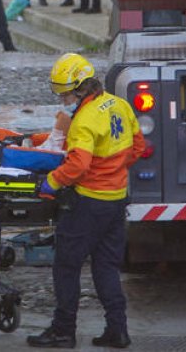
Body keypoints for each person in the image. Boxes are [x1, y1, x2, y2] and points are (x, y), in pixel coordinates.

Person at [26, 54, 147, 349]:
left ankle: (63, 331)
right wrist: (113, 172)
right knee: (106, 267)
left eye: (65, 93)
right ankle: (117, 330)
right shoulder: (119, 105)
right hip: (116, 201)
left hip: (87, 204)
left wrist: (50, 183)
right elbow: (138, 147)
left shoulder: (84, 121)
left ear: (80, 88)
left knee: (67, 266)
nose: (63, 99)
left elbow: (78, 166)